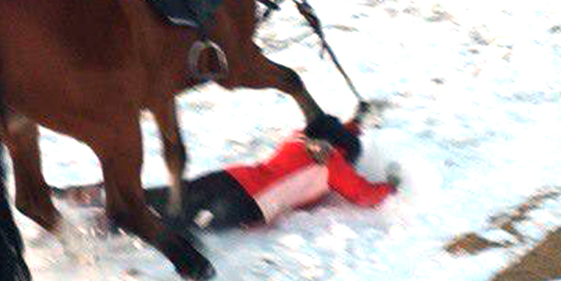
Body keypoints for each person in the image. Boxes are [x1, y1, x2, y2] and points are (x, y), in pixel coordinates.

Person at [54, 103, 399, 231]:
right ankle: (96, 229)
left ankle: (80, 196)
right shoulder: (331, 162)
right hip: (243, 205)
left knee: (163, 198)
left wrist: (357, 122)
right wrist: (393, 186)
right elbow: (363, 194)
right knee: (171, 219)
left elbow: (334, 133)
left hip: (232, 178)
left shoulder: (300, 139)